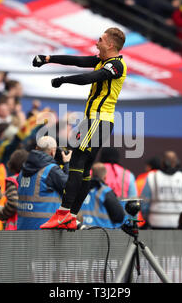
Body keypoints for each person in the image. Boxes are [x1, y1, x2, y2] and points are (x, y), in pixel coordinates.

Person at [33, 27, 127, 230]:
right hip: (93, 121)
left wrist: (63, 80)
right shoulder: (103, 60)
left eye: (100, 39)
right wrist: (48, 58)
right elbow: (78, 60)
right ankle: (71, 216)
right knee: (84, 170)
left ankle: (64, 213)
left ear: (110, 45)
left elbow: (90, 78)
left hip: (98, 120)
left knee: (76, 162)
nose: (96, 42)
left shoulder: (116, 65)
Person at [17, 136, 72, 230]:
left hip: (23, 228)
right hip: (45, 230)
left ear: (36, 148)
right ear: (52, 152)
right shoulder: (51, 170)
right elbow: (70, 188)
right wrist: (67, 164)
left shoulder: (23, 170)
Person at [140, 151, 182, 229]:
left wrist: (147, 218)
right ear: (177, 162)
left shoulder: (152, 177)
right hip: (180, 224)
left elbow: (144, 204)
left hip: (156, 223)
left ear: (162, 162)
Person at [79, 162, 126, 229]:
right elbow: (119, 216)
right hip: (102, 233)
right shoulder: (105, 191)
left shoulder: (82, 189)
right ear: (105, 177)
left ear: (91, 174)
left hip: (81, 231)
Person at [0, 149, 29, 230]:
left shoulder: (13, 181)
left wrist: (0, 215)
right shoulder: (32, 180)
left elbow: (13, 203)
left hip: (15, 228)